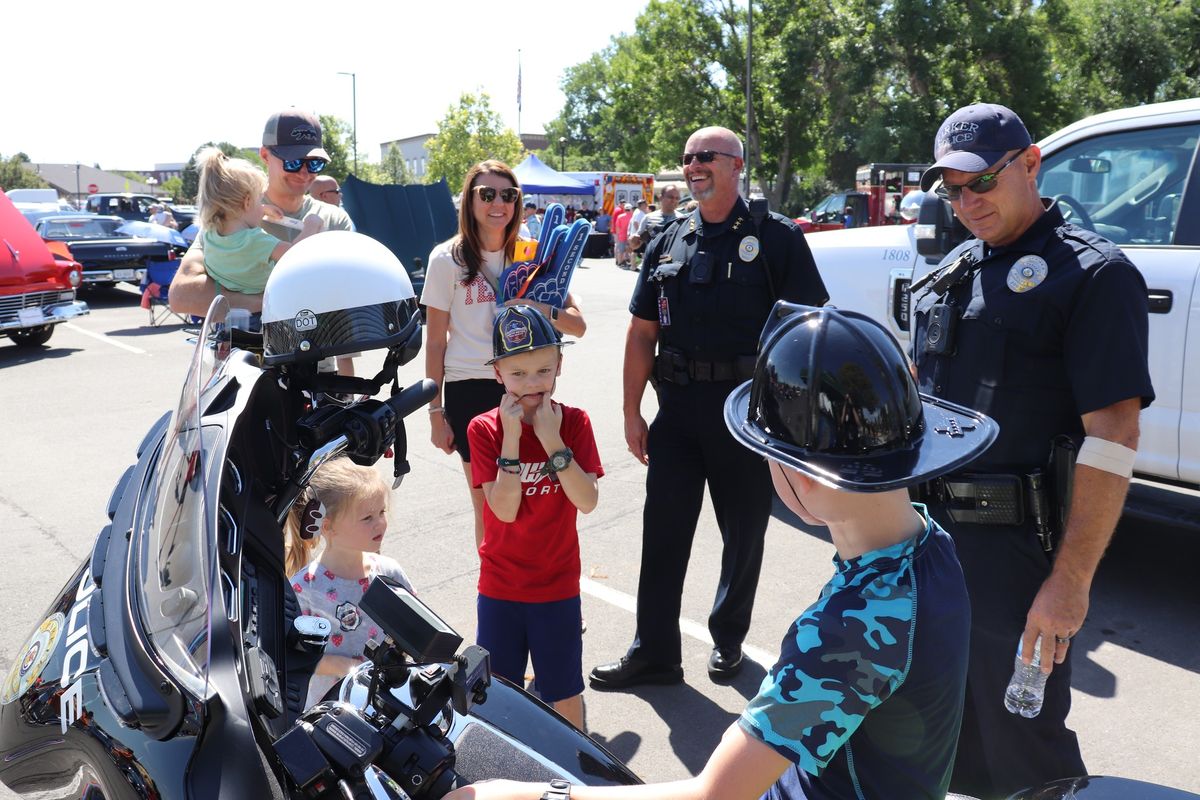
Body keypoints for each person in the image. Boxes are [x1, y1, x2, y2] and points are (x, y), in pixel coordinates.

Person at [444, 302, 999, 800]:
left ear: (803, 476)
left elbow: (714, 796)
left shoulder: (849, 628)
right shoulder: (931, 544)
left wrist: (530, 798)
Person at [911, 102, 1154, 798]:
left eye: (981, 182)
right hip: (932, 545)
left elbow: (1113, 436)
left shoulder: (1092, 275)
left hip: (1014, 555)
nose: (966, 203)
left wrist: (1069, 584)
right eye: (952, 190)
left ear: (1031, 163)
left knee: (1025, 747)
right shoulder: (959, 266)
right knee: (940, 736)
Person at [590, 126, 828, 691]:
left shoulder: (777, 239)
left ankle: (728, 639)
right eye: (688, 158)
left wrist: (795, 424)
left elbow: (809, 332)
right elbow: (641, 331)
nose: (694, 166)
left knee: (743, 533)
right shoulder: (668, 239)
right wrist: (631, 411)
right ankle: (654, 653)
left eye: (707, 158)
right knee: (663, 532)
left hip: (746, 417)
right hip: (677, 413)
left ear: (737, 165)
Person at [421, 161, 587, 552]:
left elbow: (577, 326)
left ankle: (538, 587)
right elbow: (435, 343)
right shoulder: (447, 260)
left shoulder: (532, 253)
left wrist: (536, 305)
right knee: (489, 508)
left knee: (541, 498)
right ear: (470, 200)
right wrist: (434, 413)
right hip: (470, 390)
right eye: (487, 194)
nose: (499, 203)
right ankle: (494, 596)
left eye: (508, 195)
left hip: (530, 387)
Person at [466, 305, 602, 730]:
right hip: (501, 587)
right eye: (519, 373)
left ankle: (578, 777)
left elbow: (587, 500)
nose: (532, 384)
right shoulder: (483, 429)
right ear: (498, 375)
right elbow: (503, 511)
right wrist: (512, 438)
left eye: (543, 370)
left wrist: (550, 437)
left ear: (559, 366)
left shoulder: (575, 423)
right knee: (498, 695)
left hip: (556, 587)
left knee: (564, 693)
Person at [169, 109, 354, 318]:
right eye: (292, 162)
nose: (305, 172)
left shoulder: (336, 219)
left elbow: (346, 301)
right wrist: (275, 304)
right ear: (265, 155)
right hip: (249, 347)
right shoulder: (229, 214)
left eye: (315, 163)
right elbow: (182, 296)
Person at [285, 457, 415, 709]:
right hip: (334, 710)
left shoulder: (389, 572)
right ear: (328, 526)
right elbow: (294, 655)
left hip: (389, 704)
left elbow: (414, 633)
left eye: (382, 512)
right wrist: (346, 667)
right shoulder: (305, 589)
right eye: (367, 517)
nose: (380, 523)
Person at [193, 147, 323, 295]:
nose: (261, 205)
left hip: (231, 309)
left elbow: (236, 217)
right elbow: (294, 255)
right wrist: (311, 226)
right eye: (259, 199)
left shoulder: (210, 234)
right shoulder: (256, 241)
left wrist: (262, 209)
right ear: (247, 202)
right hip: (266, 311)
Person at [612, 202, 632, 268]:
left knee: (621, 250)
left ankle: (620, 262)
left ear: (624, 209)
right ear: (630, 209)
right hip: (630, 235)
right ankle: (629, 261)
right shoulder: (632, 216)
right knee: (629, 250)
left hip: (621, 235)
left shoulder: (620, 216)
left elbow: (617, 227)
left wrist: (618, 235)